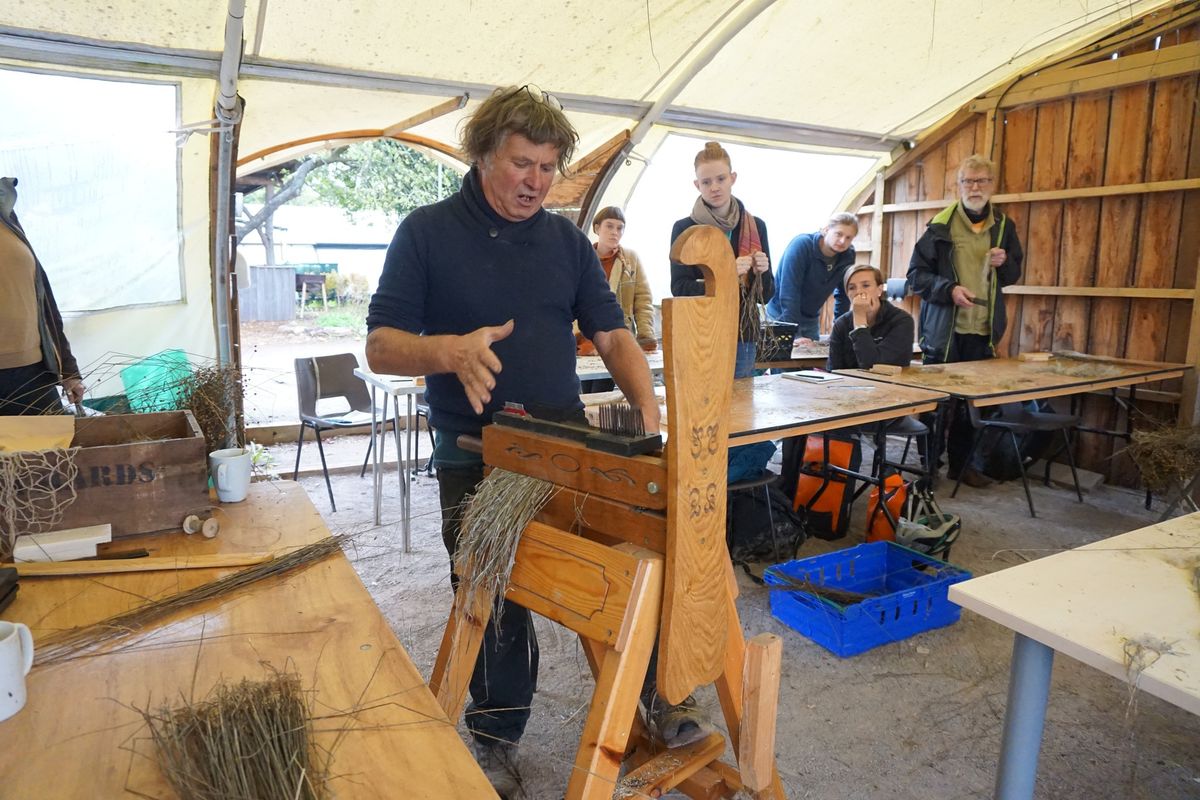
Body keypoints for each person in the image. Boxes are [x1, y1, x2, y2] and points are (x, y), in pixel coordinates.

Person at [364, 85, 664, 798]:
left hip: (563, 442)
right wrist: (448, 352)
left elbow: (613, 331)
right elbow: (379, 345)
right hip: (476, 448)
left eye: (548, 168)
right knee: (492, 590)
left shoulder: (565, 240)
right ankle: (496, 736)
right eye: (522, 163)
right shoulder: (426, 232)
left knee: (623, 571)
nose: (536, 181)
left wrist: (650, 410)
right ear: (482, 156)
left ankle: (655, 704)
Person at [907, 154, 1023, 488]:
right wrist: (949, 289)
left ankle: (963, 466)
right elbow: (916, 276)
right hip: (944, 333)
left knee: (972, 406)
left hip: (983, 331)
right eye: (967, 181)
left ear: (992, 185)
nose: (974, 187)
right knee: (936, 405)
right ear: (958, 186)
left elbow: (1014, 275)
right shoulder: (940, 226)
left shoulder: (1003, 226)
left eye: (981, 181)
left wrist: (1007, 263)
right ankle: (929, 468)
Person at [670, 141, 773, 378]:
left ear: (733, 178)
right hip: (701, 333)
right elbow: (679, 288)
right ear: (697, 185)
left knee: (740, 405)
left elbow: (766, 295)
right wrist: (725, 274)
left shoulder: (756, 227)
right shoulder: (686, 228)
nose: (714, 187)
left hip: (742, 334)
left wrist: (762, 273)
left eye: (721, 179)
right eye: (706, 182)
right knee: (702, 404)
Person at [0, 177, 85, 415]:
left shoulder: (6, 217)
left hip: (32, 373)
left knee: (53, 448)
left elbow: (44, 301)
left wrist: (68, 370)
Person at [578, 206, 657, 392]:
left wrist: (646, 338)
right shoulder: (583, 258)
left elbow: (643, 300)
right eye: (609, 226)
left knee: (602, 391)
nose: (615, 232)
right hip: (585, 341)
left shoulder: (630, 259)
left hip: (616, 338)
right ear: (597, 228)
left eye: (620, 228)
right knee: (585, 394)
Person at [767, 212, 859, 343]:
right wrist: (794, 334)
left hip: (810, 318)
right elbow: (789, 292)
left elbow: (843, 294)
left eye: (849, 238)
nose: (843, 241)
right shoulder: (802, 245)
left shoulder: (848, 255)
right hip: (781, 316)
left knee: (809, 361)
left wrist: (839, 330)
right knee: (783, 361)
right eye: (839, 234)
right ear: (826, 229)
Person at [826, 265, 914, 371]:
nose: (858, 292)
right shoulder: (841, 324)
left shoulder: (901, 321)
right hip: (849, 385)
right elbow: (834, 370)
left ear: (879, 290)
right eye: (852, 288)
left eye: (866, 285)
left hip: (889, 384)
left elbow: (873, 366)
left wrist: (859, 321)